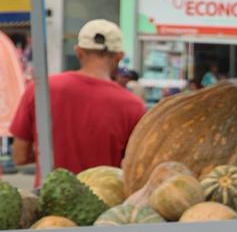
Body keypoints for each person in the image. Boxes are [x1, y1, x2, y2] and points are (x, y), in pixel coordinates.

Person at [10, 19, 146, 183]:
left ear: (78, 52)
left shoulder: (40, 89)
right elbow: (136, 165)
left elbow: (19, 156)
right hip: (104, 204)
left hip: (49, 203)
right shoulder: (133, 106)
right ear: (119, 57)